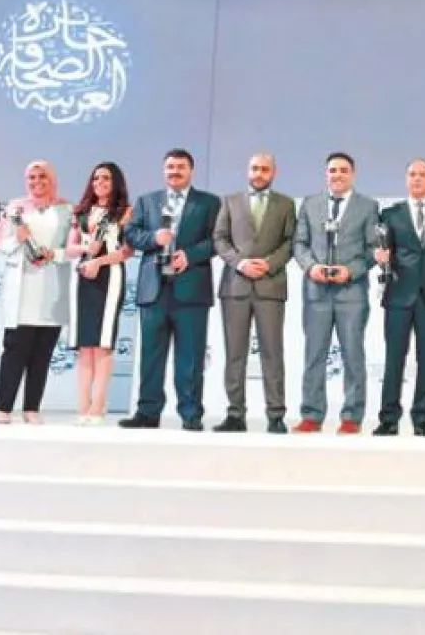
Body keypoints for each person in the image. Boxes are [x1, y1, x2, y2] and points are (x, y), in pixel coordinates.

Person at [118, 149, 221, 431]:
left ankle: (191, 414)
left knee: (190, 357)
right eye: (170, 167)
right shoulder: (147, 201)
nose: (174, 171)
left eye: (180, 167)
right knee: (151, 356)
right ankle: (147, 413)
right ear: (164, 170)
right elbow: (131, 234)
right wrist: (154, 237)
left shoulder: (209, 203)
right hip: (154, 290)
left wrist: (190, 255)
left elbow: (218, 240)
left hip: (191, 290)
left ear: (192, 170)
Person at [292, 152, 378, 434]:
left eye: (343, 170)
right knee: (314, 355)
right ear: (325, 174)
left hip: (351, 292)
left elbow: (372, 251)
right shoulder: (310, 204)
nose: (337, 175)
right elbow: (300, 244)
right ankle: (311, 415)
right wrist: (311, 267)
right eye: (332, 170)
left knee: (353, 355)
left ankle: (352, 417)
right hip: (317, 291)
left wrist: (350, 271)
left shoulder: (368, 206)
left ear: (352, 174)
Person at [213, 152, 295, 434]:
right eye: (254, 168)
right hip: (235, 287)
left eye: (264, 169)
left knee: (272, 353)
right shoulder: (230, 201)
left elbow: (290, 242)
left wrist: (269, 264)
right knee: (235, 354)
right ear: (247, 171)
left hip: (270, 287)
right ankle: (235, 414)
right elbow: (219, 239)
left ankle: (276, 415)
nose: (259, 173)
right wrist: (241, 262)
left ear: (273, 173)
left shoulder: (286, 204)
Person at [373, 159, 425, 437]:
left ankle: (422, 418)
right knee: (394, 358)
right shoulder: (390, 214)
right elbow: (382, 250)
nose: (417, 179)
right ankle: (388, 418)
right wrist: (380, 256)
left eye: (422, 174)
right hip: (398, 295)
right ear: (406, 179)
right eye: (412, 174)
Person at [0, 161, 73, 424]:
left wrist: (54, 254)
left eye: (43, 177)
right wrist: (17, 237)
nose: (37, 182)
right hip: (22, 289)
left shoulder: (67, 209)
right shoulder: (14, 207)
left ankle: (32, 408)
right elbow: (1, 246)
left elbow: (72, 248)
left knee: (42, 353)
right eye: (31, 177)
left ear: (52, 179)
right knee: (14, 351)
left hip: (53, 287)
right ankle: (3, 407)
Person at [66, 161, 133, 425]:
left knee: (102, 344)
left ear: (115, 182)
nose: (100, 184)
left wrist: (99, 261)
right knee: (85, 346)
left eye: (106, 179)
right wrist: (86, 252)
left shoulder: (124, 212)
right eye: (96, 179)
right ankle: (82, 407)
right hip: (82, 277)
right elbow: (69, 248)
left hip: (109, 277)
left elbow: (127, 251)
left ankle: (98, 407)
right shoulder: (80, 211)